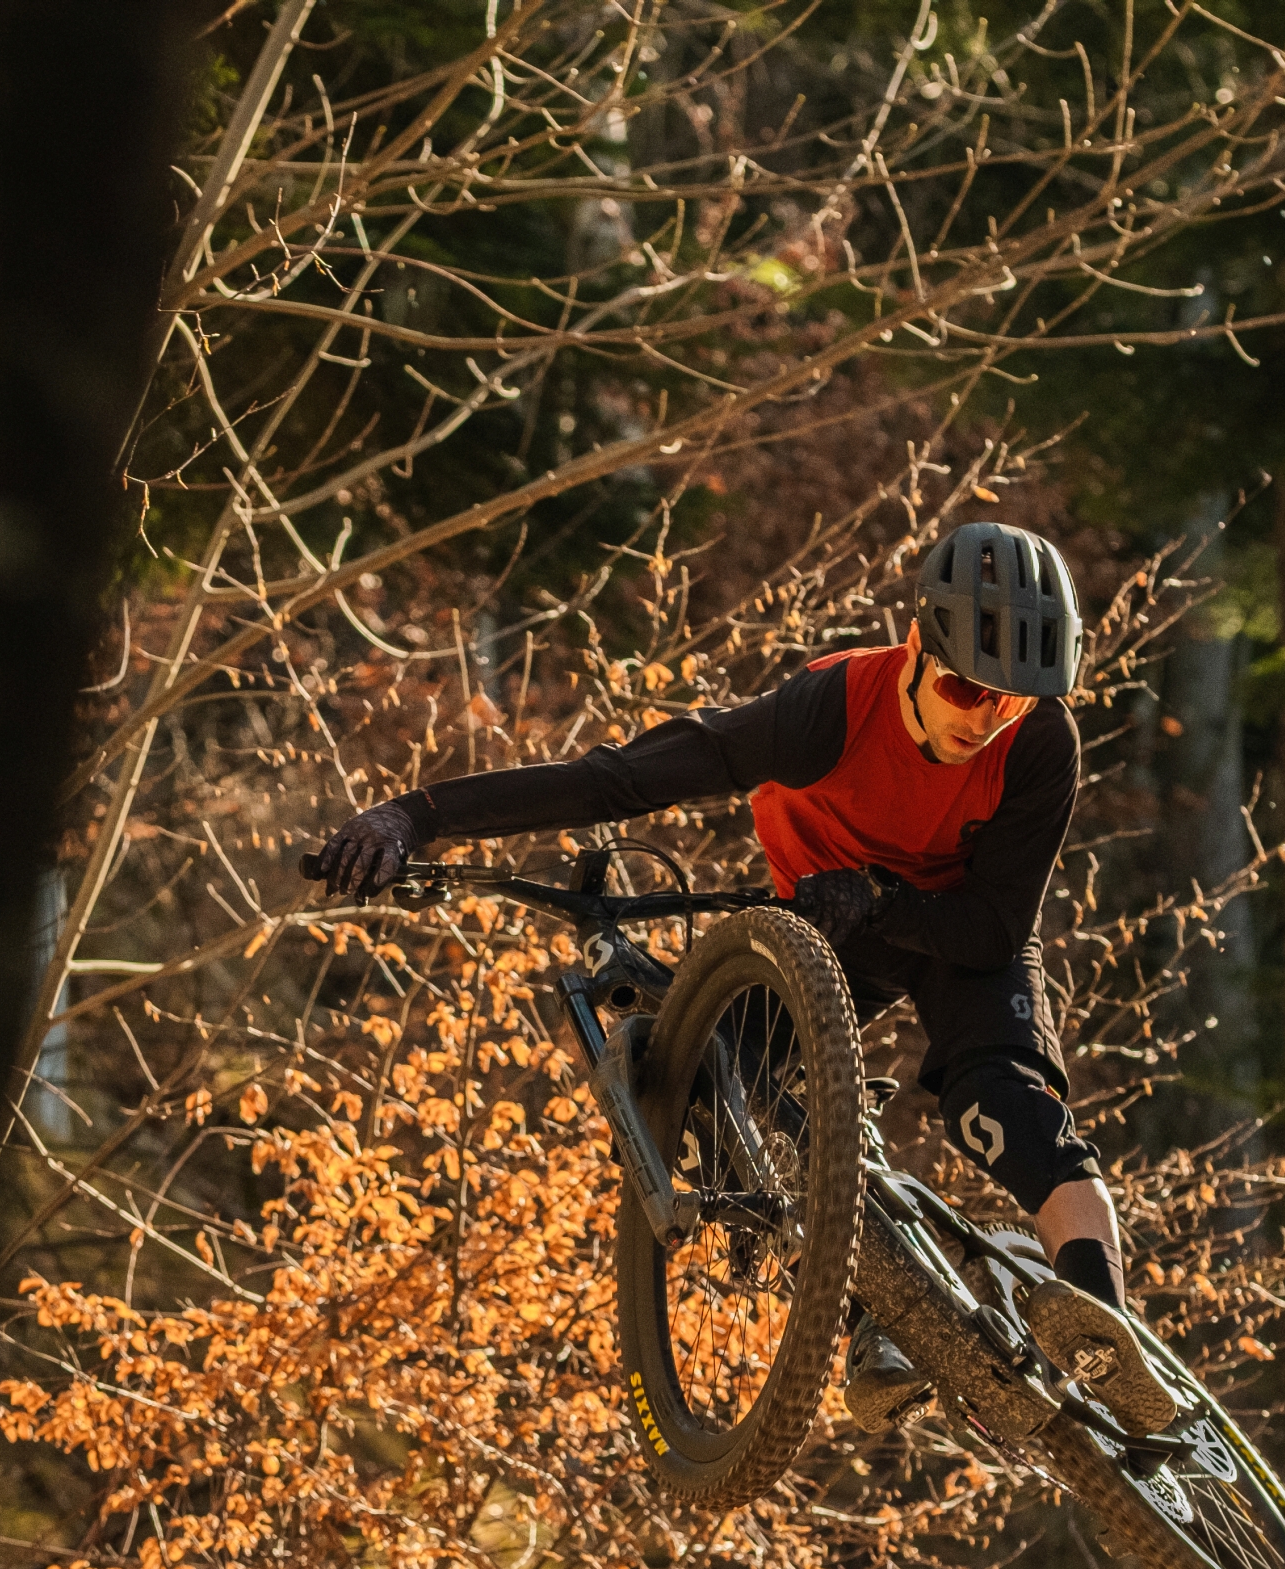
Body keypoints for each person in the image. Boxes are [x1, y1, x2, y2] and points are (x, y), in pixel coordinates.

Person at [305, 521, 1183, 1437]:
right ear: (917, 646)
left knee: (1006, 1113)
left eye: (1009, 702)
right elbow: (616, 782)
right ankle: (870, 1319)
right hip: (830, 929)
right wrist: (417, 815)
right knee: (732, 1104)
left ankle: (1107, 1337)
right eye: (965, 685)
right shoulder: (825, 714)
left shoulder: (1039, 744)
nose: (982, 718)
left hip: (956, 930)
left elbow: (997, 923)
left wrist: (884, 898)